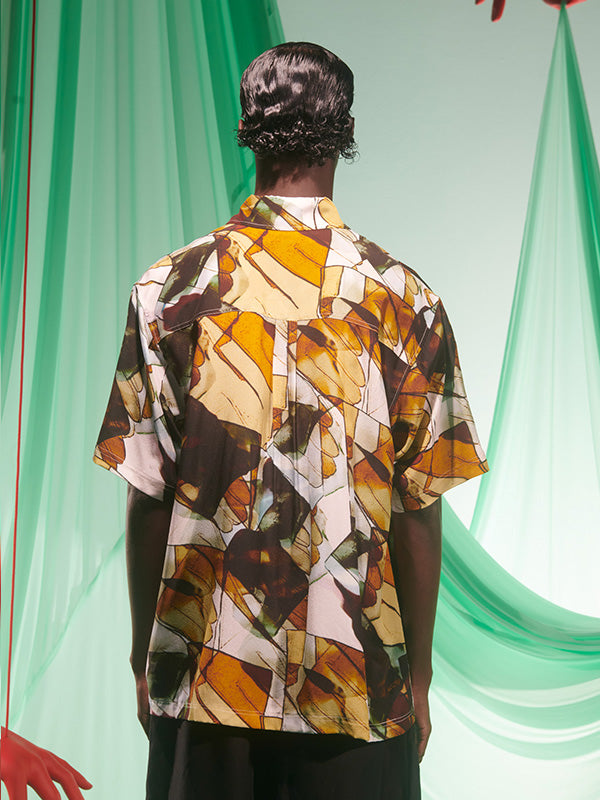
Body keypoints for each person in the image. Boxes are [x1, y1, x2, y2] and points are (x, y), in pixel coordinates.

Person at [94, 41, 488, 800]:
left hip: (205, 681)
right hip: (360, 684)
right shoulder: (404, 299)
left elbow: (148, 497)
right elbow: (418, 512)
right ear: (346, 133)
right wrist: (419, 677)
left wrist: (147, 657)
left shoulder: (168, 290)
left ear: (248, 127)